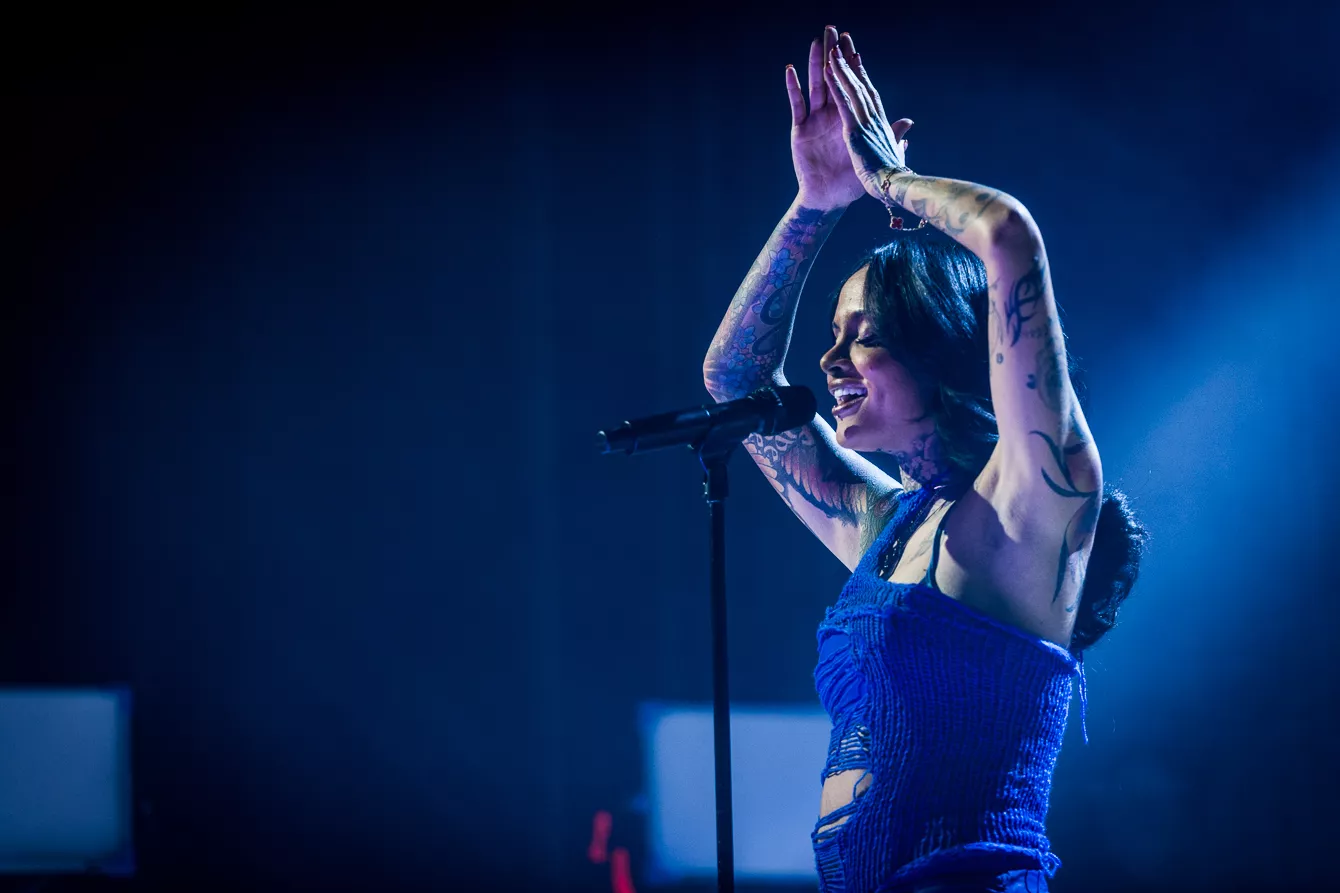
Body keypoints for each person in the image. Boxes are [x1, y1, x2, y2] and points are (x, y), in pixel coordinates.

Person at [701, 25, 1146, 893]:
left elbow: (1008, 235)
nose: (830, 361)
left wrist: (886, 181)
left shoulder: (1028, 505)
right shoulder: (887, 526)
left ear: (935, 349)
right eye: (834, 336)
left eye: (863, 336)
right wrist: (817, 204)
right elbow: (736, 379)